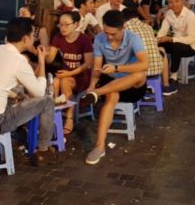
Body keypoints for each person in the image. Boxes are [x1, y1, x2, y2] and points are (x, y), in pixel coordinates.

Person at [0, 17, 57, 165]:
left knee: (18, 91)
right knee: (47, 101)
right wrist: (41, 61)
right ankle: (44, 151)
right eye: (33, 35)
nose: (34, 39)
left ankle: (21, 133)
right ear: (25, 38)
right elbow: (40, 93)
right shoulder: (18, 60)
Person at [81, 10, 148, 165]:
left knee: (140, 74)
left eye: (113, 34)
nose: (109, 37)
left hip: (133, 86)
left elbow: (145, 64)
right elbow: (97, 67)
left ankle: (97, 93)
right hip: (112, 84)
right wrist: (91, 85)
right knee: (111, 96)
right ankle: (99, 146)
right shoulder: (99, 39)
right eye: (106, 33)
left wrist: (117, 68)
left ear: (123, 27)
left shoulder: (133, 38)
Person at [47, 11, 94, 134]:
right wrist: (42, 53)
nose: (63, 28)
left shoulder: (84, 39)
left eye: (66, 24)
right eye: (60, 25)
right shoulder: (58, 38)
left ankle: (69, 118)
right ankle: (53, 115)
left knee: (64, 81)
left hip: (81, 75)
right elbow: (50, 59)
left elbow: (87, 64)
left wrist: (68, 74)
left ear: (76, 24)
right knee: (55, 82)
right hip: (64, 73)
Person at [122, 9, 176, 95]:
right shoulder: (147, 27)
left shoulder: (124, 28)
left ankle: (142, 89)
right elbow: (153, 44)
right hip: (156, 69)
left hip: (137, 71)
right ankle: (166, 85)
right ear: (136, 17)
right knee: (161, 50)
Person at [157, 0, 195, 82]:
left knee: (177, 46)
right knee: (158, 45)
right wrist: (157, 40)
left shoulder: (190, 16)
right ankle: (159, 71)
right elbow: (163, 31)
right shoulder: (169, 13)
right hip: (175, 42)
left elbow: (191, 39)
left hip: (190, 47)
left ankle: (173, 75)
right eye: (171, 2)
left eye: (177, 1)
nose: (174, 5)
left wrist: (171, 39)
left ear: (183, 1)